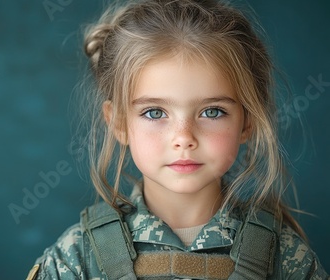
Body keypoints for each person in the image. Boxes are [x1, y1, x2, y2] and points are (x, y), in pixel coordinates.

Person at [27, 0, 329, 279]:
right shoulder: (76, 258)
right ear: (118, 122)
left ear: (247, 121)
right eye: (155, 113)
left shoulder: (284, 257)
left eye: (212, 112)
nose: (184, 138)